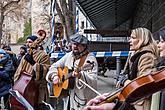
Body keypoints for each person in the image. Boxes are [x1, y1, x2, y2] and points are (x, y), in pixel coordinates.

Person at [84, 27, 159, 110]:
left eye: (133, 38)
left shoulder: (146, 57)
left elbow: (144, 87)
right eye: (130, 37)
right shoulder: (137, 55)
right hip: (135, 102)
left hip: (140, 105)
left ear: (142, 39)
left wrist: (125, 81)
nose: (129, 41)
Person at [46, 34, 98, 110]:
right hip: (69, 98)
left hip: (83, 100)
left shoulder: (90, 60)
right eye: (74, 44)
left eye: (78, 44)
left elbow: (93, 80)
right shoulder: (69, 55)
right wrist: (54, 76)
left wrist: (80, 75)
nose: (75, 46)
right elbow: (54, 66)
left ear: (84, 46)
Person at [13, 35, 50, 109]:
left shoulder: (44, 55)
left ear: (36, 43)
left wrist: (33, 63)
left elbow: (46, 71)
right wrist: (17, 85)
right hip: (24, 90)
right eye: (26, 42)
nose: (27, 44)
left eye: (30, 42)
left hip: (38, 91)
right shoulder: (25, 56)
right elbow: (18, 71)